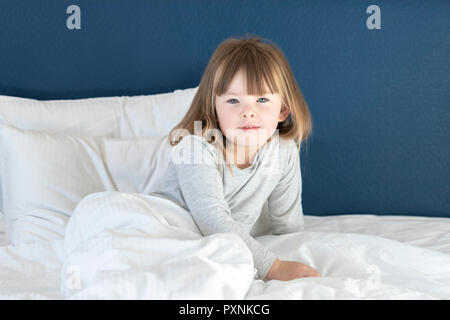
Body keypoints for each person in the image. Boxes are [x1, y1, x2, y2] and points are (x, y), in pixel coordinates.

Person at [154, 35, 320, 281]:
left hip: (223, 247)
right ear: (214, 108)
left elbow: (288, 226)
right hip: (171, 233)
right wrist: (273, 268)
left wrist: (293, 259)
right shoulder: (196, 149)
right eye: (233, 100)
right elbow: (212, 221)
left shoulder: (283, 152)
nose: (248, 112)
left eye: (262, 100)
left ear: (283, 110)